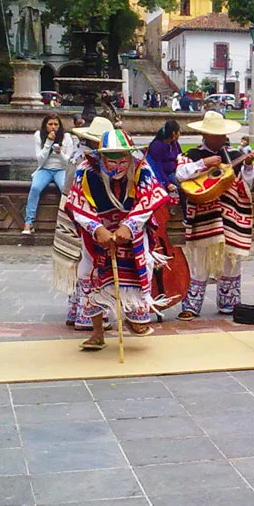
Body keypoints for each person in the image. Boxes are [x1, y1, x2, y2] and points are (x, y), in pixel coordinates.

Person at [64, 129, 170, 350]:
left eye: (123, 160)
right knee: (89, 273)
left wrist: (129, 226)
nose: (118, 167)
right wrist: (96, 228)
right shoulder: (85, 171)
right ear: (101, 158)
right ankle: (97, 331)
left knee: (143, 265)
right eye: (112, 161)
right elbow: (77, 204)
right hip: (97, 230)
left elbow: (148, 200)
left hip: (132, 229)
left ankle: (136, 317)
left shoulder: (141, 169)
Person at [175, 111, 254, 320]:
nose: (221, 138)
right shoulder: (192, 155)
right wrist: (205, 164)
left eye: (222, 135)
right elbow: (180, 175)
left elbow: (245, 183)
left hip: (230, 215)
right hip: (203, 217)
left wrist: (248, 166)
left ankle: (229, 302)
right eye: (216, 135)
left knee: (231, 259)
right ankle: (191, 305)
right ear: (206, 135)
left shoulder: (233, 155)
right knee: (199, 262)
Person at [62, 116, 115, 330]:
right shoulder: (85, 164)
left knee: (81, 261)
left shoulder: (81, 159)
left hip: (78, 211)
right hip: (85, 214)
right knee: (89, 262)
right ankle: (89, 315)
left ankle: (77, 310)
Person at [22, 114, 75, 235]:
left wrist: (60, 152)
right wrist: (48, 143)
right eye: (50, 124)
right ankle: (29, 222)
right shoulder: (38, 136)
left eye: (56, 124)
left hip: (61, 170)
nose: (53, 127)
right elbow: (40, 160)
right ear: (45, 125)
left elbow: (68, 162)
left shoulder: (66, 138)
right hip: (44, 169)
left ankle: (68, 222)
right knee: (35, 187)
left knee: (65, 189)